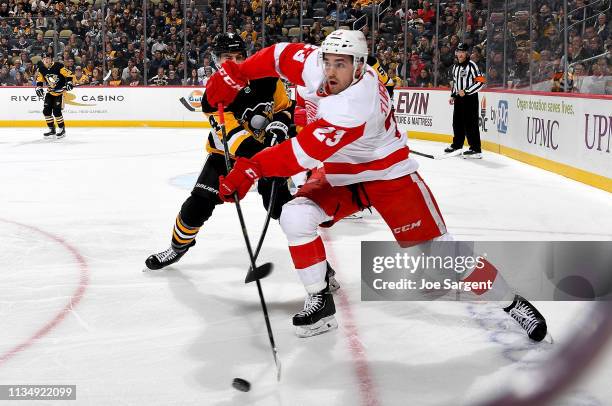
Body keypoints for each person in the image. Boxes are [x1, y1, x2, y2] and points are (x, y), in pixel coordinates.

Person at [206, 30, 547, 341]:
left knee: (443, 255)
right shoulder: (317, 65)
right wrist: (240, 73)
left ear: (360, 66)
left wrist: (250, 169)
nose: (331, 71)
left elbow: (303, 153)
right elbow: (278, 55)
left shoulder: (355, 102)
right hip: (342, 174)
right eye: (328, 62)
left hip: (388, 175)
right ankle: (320, 301)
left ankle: (511, 301)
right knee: (295, 217)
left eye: (342, 64)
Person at [144, 33, 297, 272]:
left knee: (284, 209)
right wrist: (263, 154)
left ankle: (317, 265)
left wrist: (278, 125)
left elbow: (285, 108)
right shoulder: (214, 91)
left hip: (268, 152)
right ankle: (177, 248)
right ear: (216, 59)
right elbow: (233, 136)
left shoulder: (268, 78)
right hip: (227, 155)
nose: (233, 62)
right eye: (227, 57)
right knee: (197, 206)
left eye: (238, 57)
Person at [445, 43, 486, 158]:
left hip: (470, 98)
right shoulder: (455, 67)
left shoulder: (472, 65)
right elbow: (455, 83)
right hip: (459, 98)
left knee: (470, 124)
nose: (460, 54)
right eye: (459, 52)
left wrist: (467, 91)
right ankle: (457, 145)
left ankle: (476, 149)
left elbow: (481, 81)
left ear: (466, 53)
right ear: (456, 53)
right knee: (457, 122)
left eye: (463, 52)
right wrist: (453, 95)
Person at [35, 52, 74, 139]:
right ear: (42, 60)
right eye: (44, 59)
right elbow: (40, 80)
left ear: (51, 59)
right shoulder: (41, 69)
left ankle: (61, 129)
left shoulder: (58, 66)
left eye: (48, 58)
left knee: (56, 112)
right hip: (50, 92)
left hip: (60, 93)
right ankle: (52, 129)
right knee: (46, 111)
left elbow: (69, 74)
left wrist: (69, 82)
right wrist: (39, 87)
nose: (46, 60)